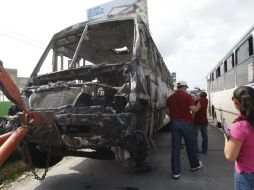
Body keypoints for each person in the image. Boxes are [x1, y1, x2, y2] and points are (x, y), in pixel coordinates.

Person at [166, 81, 202, 179]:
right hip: (186, 123)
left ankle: (176, 172)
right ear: (184, 87)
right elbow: (193, 109)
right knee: (190, 145)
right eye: (186, 87)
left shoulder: (170, 98)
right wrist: (198, 107)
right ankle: (194, 165)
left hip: (174, 123)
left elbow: (167, 111)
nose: (186, 89)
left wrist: (174, 118)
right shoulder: (187, 96)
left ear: (178, 87)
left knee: (175, 148)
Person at [224, 86, 254, 190]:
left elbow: (230, 156)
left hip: (247, 176)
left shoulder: (240, 126)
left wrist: (226, 138)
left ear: (235, 102)